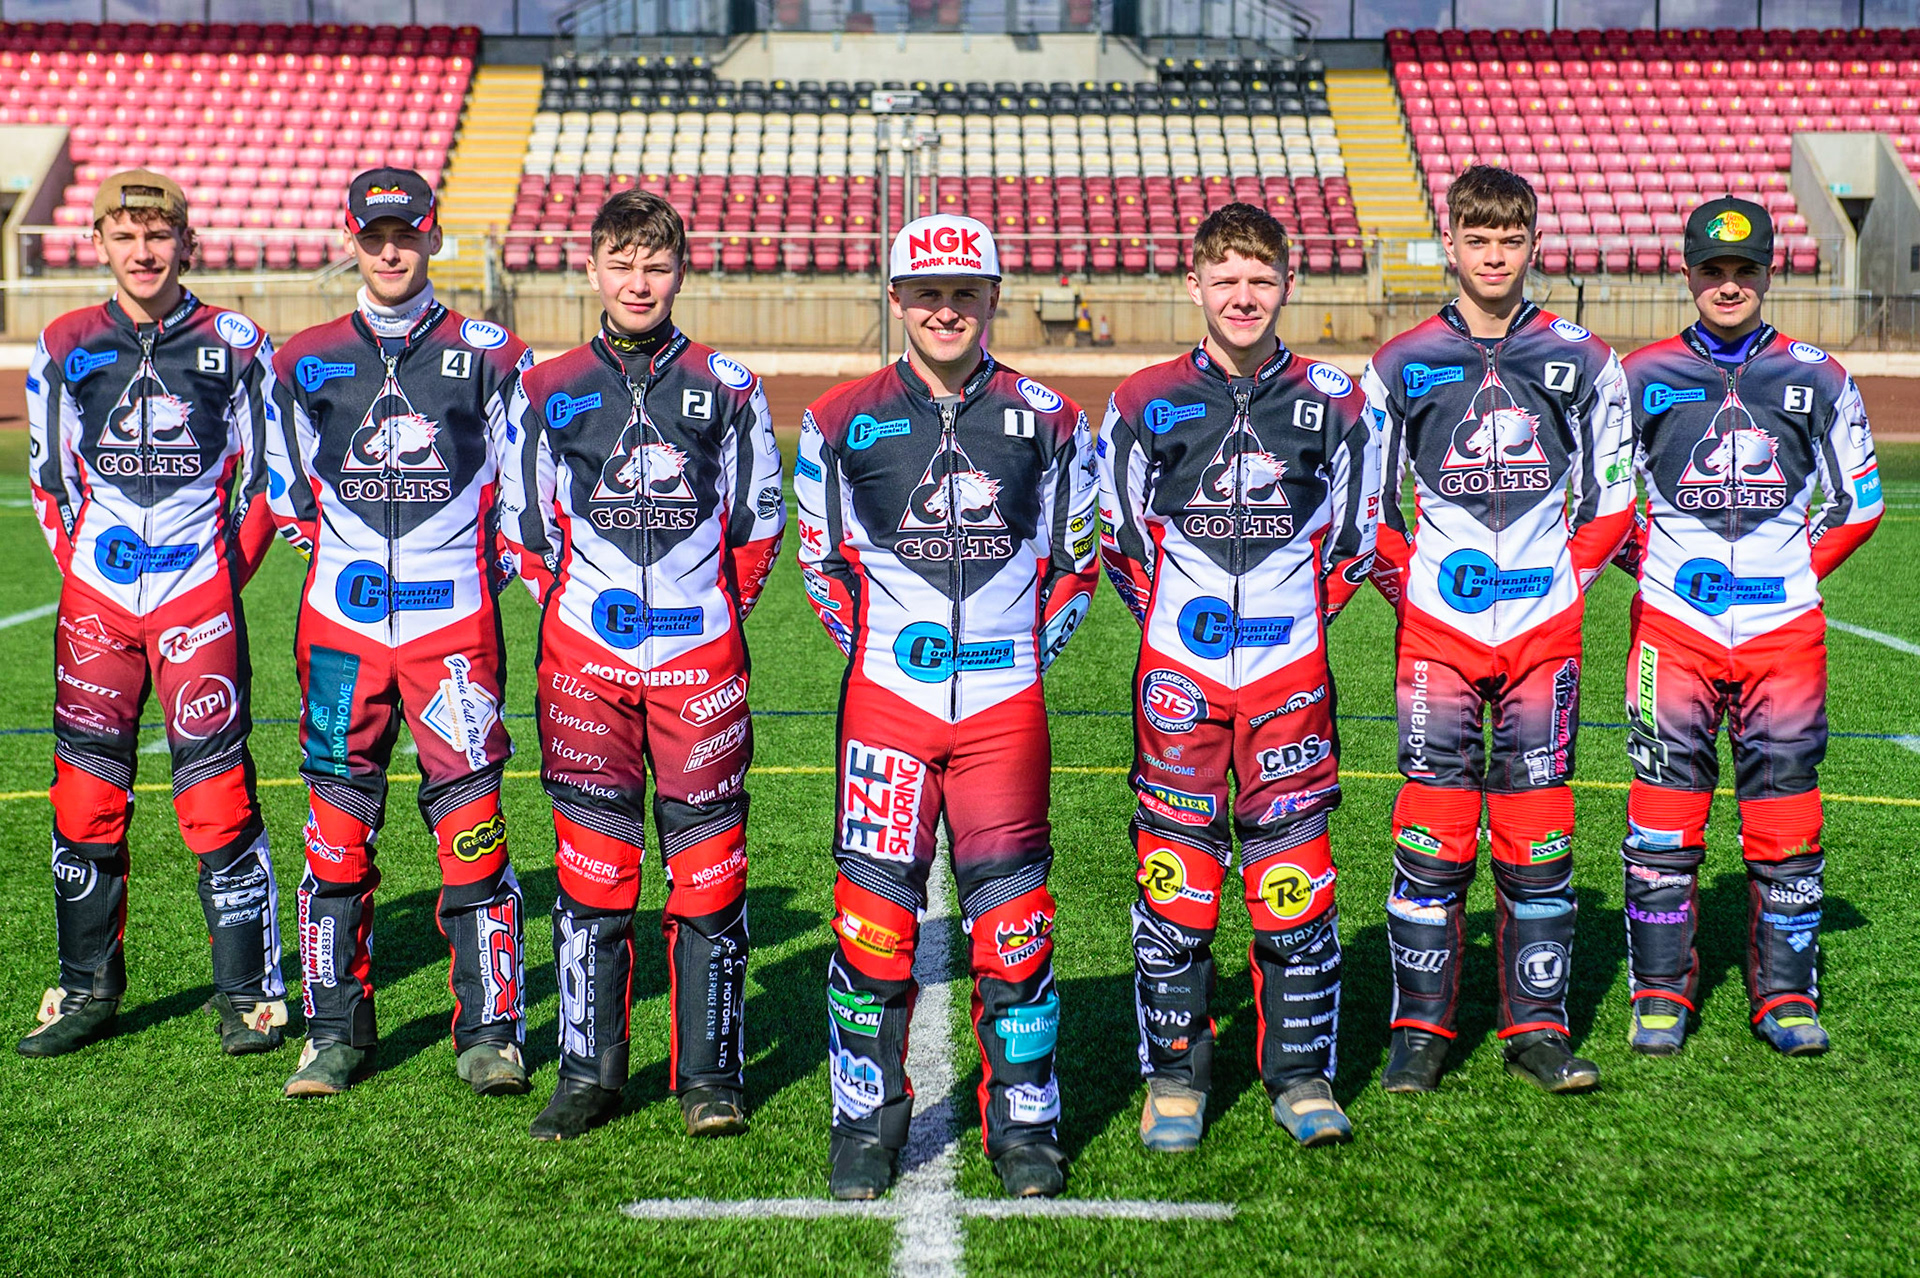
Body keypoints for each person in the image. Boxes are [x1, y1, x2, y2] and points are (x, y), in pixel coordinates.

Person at [795, 214, 1098, 1200]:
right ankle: (864, 1123)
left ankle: (1024, 1124)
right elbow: (821, 565)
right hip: (887, 708)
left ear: (993, 299)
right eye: (926, 294)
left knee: (1016, 930)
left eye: (965, 293)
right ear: (896, 301)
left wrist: (1013, 662)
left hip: (1006, 717)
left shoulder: (1050, 418)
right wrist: (894, 661)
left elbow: (1078, 567)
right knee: (872, 928)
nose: (945, 310)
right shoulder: (836, 419)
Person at [499, 191, 785, 1140]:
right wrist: (586, 621)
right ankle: (589, 1075)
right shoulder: (544, 387)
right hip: (584, 666)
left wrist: (699, 622)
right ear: (592, 270)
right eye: (621, 263)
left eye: (655, 266)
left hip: (702, 666)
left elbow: (757, 526)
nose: (638, 281)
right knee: (592, 872)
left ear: (678, 273)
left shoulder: (729, 387)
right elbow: (525, 529)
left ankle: (710, 1077)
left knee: (709, 873)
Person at [1100, 203, 1380, 1150]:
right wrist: (1188, 632)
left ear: (1286, 286)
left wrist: (1282, 631)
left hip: (1290, 677)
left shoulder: (1339, 401)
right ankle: (1174, 1077)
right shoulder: (1142, 399)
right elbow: (1122, 542)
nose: (1244, 297)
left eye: (1260, 280)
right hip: (1178, 681)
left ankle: (1301, 1075)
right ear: (1195, 288)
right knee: (1175, 886)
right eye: (1225, 281)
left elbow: (1355, 541)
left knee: (1293, 879)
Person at [1359, 165, 1634, 1094]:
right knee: (1431, 835)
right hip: (1436, 637)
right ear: (1452, 245)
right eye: (1477, 239)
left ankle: (1538, 1029)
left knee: (1540, 837)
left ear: (1530, 246)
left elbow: (1614, 498)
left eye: (1509, 240)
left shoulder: (1582, 359)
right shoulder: (1398, 363)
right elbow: (1366, 508)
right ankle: (1419, 1033)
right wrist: (1417, 590)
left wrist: (1563, 580)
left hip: (1544, 637)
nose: (1493, 255)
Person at [265, 168, 534, 1098]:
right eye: (375, 234)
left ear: (433, 236)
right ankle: (334, 1032)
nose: (390, 250)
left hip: (452, 631)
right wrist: (349, 566)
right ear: (352, 234)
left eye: (407, 233)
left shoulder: (493, 352)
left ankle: (491, 1031)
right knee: (336, 832)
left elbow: (526, 499)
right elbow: (285, 491)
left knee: (472, 830)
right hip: (339, 631)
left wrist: (452, 574)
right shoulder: (302, 358)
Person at [21, 169, 287, 1059]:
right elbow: (49, 483)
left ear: (187, 244)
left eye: (158, 234)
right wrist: (94, 578)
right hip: (96, 606)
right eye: (125, 235)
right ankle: (87, 988)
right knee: (86, 793)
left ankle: (248, 996)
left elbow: (270, 481)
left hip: (198, 603)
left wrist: (218, 580)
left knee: (215, 795)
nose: (143, 251)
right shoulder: (63, 341)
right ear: (97, 242)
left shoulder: (239, 343)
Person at [1612, 197, 1881, 1058]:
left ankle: (1786, 997)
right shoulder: (1639, 376)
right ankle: (1660, 993)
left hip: (1783, 637)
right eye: (1713, 270)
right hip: (1672, 634)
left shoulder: (1820, 376)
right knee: (1663, 815)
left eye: (1745, 270)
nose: (1729, 285)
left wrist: (1791, 569)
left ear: (1771, 274)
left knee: (1786, 818)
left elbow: (1859, 502)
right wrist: (1662, 567)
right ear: (1687, 274)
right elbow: (1604, 501)